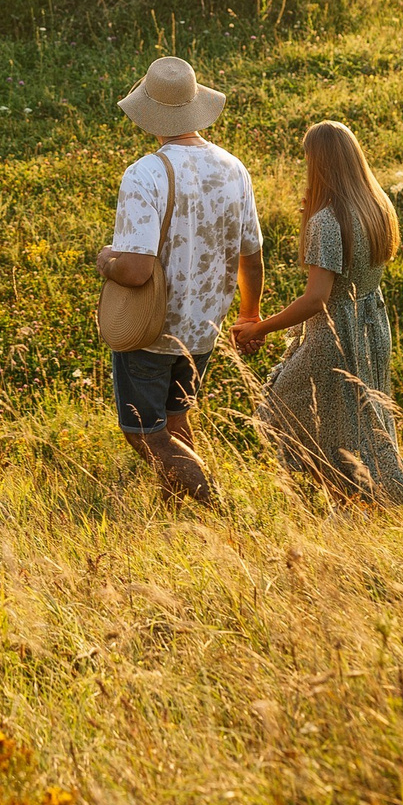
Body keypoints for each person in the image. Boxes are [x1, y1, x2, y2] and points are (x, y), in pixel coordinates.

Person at [94, 56, 265, 505]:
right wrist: (250, 314)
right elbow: (252, 255)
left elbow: (135, 270)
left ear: (151, 114)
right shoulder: (234, 168)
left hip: (151, 330)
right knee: (176, 421)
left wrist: (105, 261)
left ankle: (215, 505)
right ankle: (174, 516)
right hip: (204, 330)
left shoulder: (145, 174)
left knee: (143, 434)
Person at [234, 120, 403, 506]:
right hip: (371, 327)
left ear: (318, 163)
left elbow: (317, 298)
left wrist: (258, 328)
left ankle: (350, 500)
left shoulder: (327, 221)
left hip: (334, 333)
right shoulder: (377, 207)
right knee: (357, 423)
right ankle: (357, 504)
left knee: (282, 411)